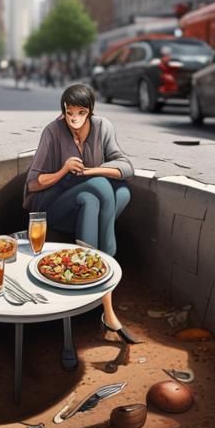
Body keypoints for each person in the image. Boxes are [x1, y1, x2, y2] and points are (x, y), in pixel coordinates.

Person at [25, 82, 137, 344]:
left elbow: (126, 167)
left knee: (118, 193)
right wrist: (64, 169)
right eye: (69, 112)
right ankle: (106, 272)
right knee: (100, 188)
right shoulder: (52, 131)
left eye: (81, 113)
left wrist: (89, 171)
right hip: (52, 203)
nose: (74, 118)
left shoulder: (103, 127)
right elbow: (32, 183)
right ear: (63, 111)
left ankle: (94, 282)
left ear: (90, 111)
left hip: (85, 197)